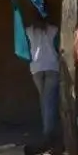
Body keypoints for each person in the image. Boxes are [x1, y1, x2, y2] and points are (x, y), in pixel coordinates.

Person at [25, 12, 60, 145]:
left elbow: (25, 48)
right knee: (49, 101)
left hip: (36, 69)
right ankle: (48, 133)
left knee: (44, 100)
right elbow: (58, 48)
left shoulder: (29, 31)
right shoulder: (54, 30)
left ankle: (48, 130)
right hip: (52, 66)